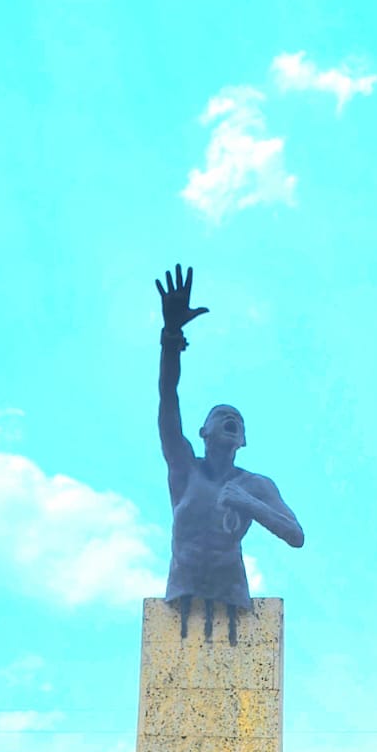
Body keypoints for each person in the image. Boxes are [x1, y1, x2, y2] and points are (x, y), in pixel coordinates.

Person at [156, 264, 304, 640]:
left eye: (237, 419)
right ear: (204, 432)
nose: (231, 418)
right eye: (221, 415)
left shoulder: (254, 485)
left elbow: (295, 535)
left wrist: (248, 502)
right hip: (181, 601)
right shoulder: (185, 468)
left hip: (232, 605)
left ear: (243, 440)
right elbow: (167, 400)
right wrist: (171, 337)